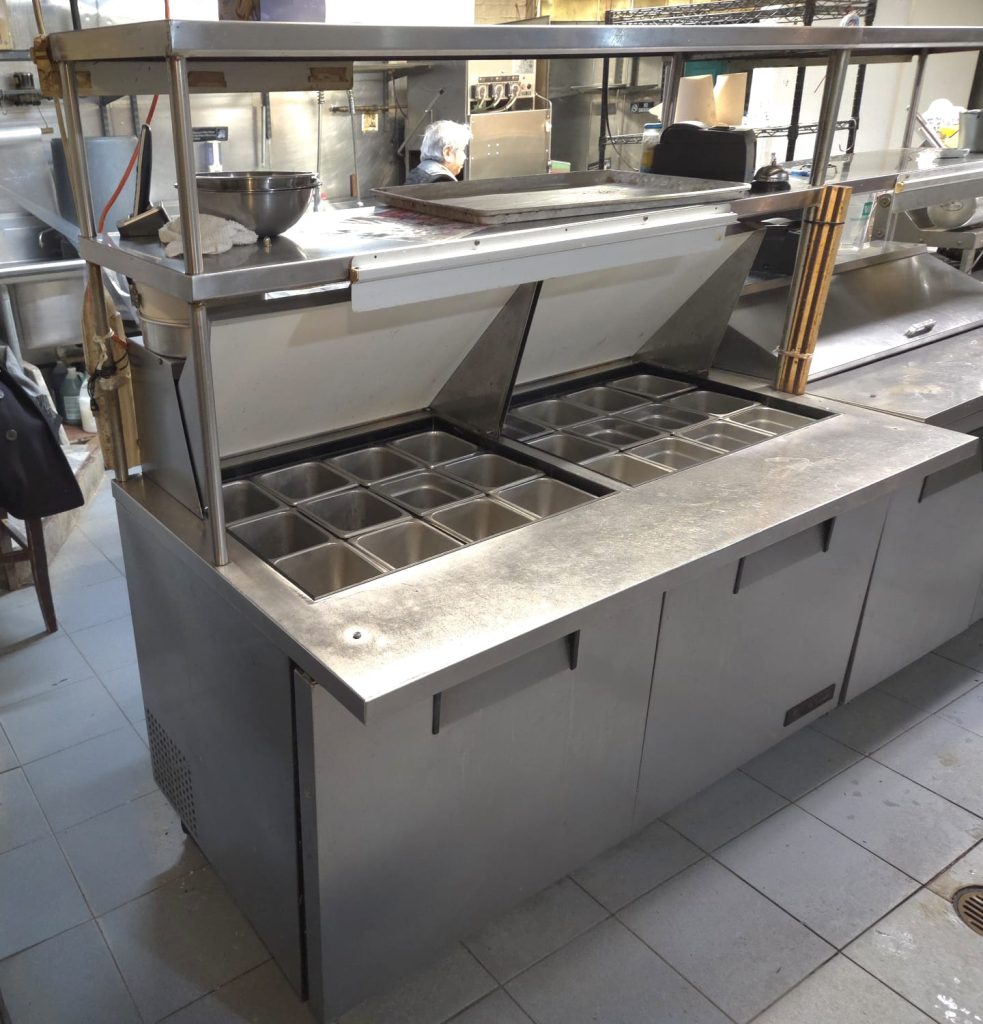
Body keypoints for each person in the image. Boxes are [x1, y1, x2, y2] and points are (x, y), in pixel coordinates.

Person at [405, 120, 472, 185]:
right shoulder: (442, 181)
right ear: (447, 153)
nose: (465, 157)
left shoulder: (416, 173)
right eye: (462, 150)